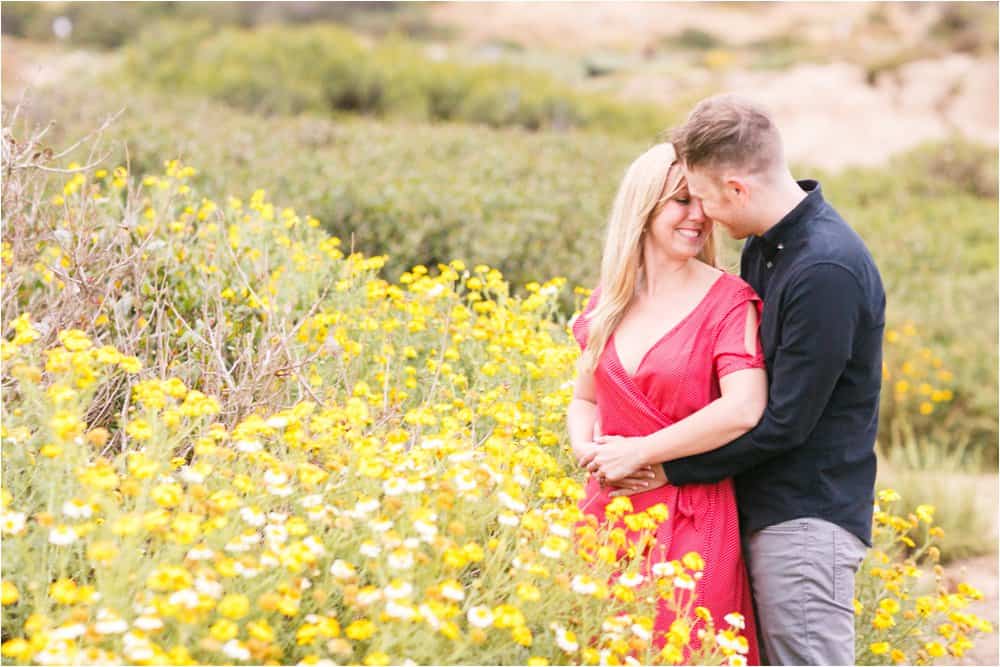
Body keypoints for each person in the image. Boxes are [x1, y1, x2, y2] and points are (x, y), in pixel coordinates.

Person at [585, 94, 886, 666]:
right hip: (754, 506)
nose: (702, 217)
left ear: (738, 191)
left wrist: (660, 468)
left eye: (701, 198)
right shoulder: (768, 251)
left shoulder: (824, 267)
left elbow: (781, 423)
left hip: (804, 516)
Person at [568, 141, 766, 664]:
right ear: (645, 206)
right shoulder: (607, 300)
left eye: (703, 201)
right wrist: (586, 451)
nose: (698, 216)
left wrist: (642, 452)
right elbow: (585, 399)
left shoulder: (730, 299)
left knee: (687, 647)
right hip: (608, 509)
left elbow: (743, 408)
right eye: (682, 200)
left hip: (692, 513)